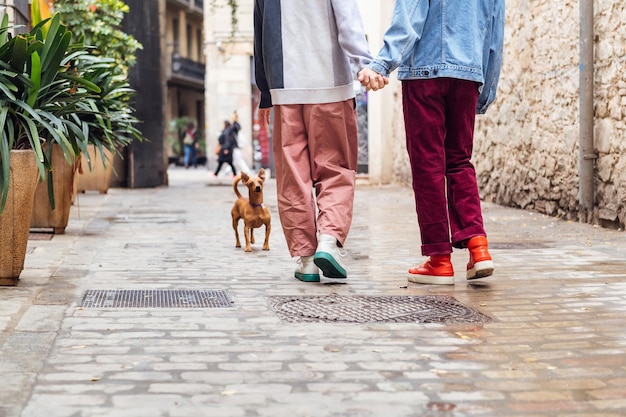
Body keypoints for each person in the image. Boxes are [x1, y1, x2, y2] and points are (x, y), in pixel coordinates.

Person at [358, 0, 505, 285]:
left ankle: (439, 259)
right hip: (468, 75)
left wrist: (383, 62)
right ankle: (478, 247)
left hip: (425, 74)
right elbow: (494, 34)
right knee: (460, 160)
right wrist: (486, 88)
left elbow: (410, 15)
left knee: (428, 166)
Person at [253, 0, 386, 282]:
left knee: (293, 177)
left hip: (285, 91)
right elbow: (347, 19)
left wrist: (265, 92)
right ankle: (328, 240)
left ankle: (307, 259)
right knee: (336, 168)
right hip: (331, 87)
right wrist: (366, 63)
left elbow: (260, 30)